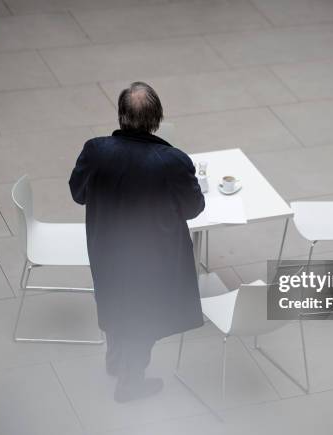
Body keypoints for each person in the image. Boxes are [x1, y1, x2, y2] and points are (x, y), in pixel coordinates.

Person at [69, 82, 205, 402]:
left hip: (107, 247)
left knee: (115, 300)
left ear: (121, 116)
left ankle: (116, 360)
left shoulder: (95, 150)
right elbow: (194, 208)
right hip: (153, 255)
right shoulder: (174, 161)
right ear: (156, 119)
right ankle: (130, 382)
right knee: (144, 313)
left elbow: (78, 194)